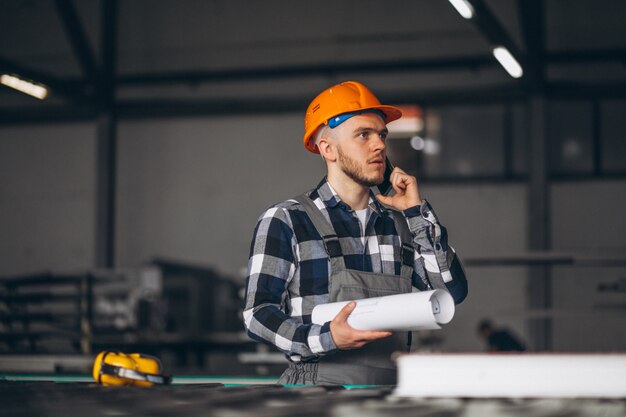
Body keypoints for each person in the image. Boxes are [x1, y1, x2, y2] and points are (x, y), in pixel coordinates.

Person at [243, 81, 468, 385]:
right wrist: (324, 338)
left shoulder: (400, 225)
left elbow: (452, 292)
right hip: (315, 392)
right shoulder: (287, 220)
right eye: (364, 135)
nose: (379, 145)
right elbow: (258, 314)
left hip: (390, 393)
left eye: (381, 135)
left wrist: (415, 213)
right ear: (327, 148)